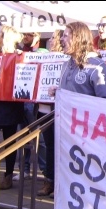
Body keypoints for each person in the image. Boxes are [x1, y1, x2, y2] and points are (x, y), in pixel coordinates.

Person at [47, 22, 106, 197]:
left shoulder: (97, 66)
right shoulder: (65, 65)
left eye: (66, 35)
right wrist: (58, 92)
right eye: (62, 35)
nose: (61, 39)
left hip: (87, 137)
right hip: (66, 134)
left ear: (78, 38)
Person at [0, 25, 24, 189]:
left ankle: (8, 175)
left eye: (0, 33)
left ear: (6, 37)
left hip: (9, 104)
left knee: (9, 141)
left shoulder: (17, 56)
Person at [13, 31, 48, 181]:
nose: (24, 37)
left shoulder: (44, 52)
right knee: (23, 135)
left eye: (28, 34)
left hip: (36, 102)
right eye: (24, 34)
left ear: (37, 37)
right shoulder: (20, 51)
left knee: (40, 139)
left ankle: (46, 173)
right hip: (23, 99)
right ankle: (24, 169)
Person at [35, 29, 64, 198]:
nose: (51, 40)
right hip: (42, 108)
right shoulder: (43, 57)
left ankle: (57, 182)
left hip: (57, 109)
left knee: (57, 147)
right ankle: (49, 180)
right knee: (48, 147)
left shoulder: (66, 60)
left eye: (54, 37)